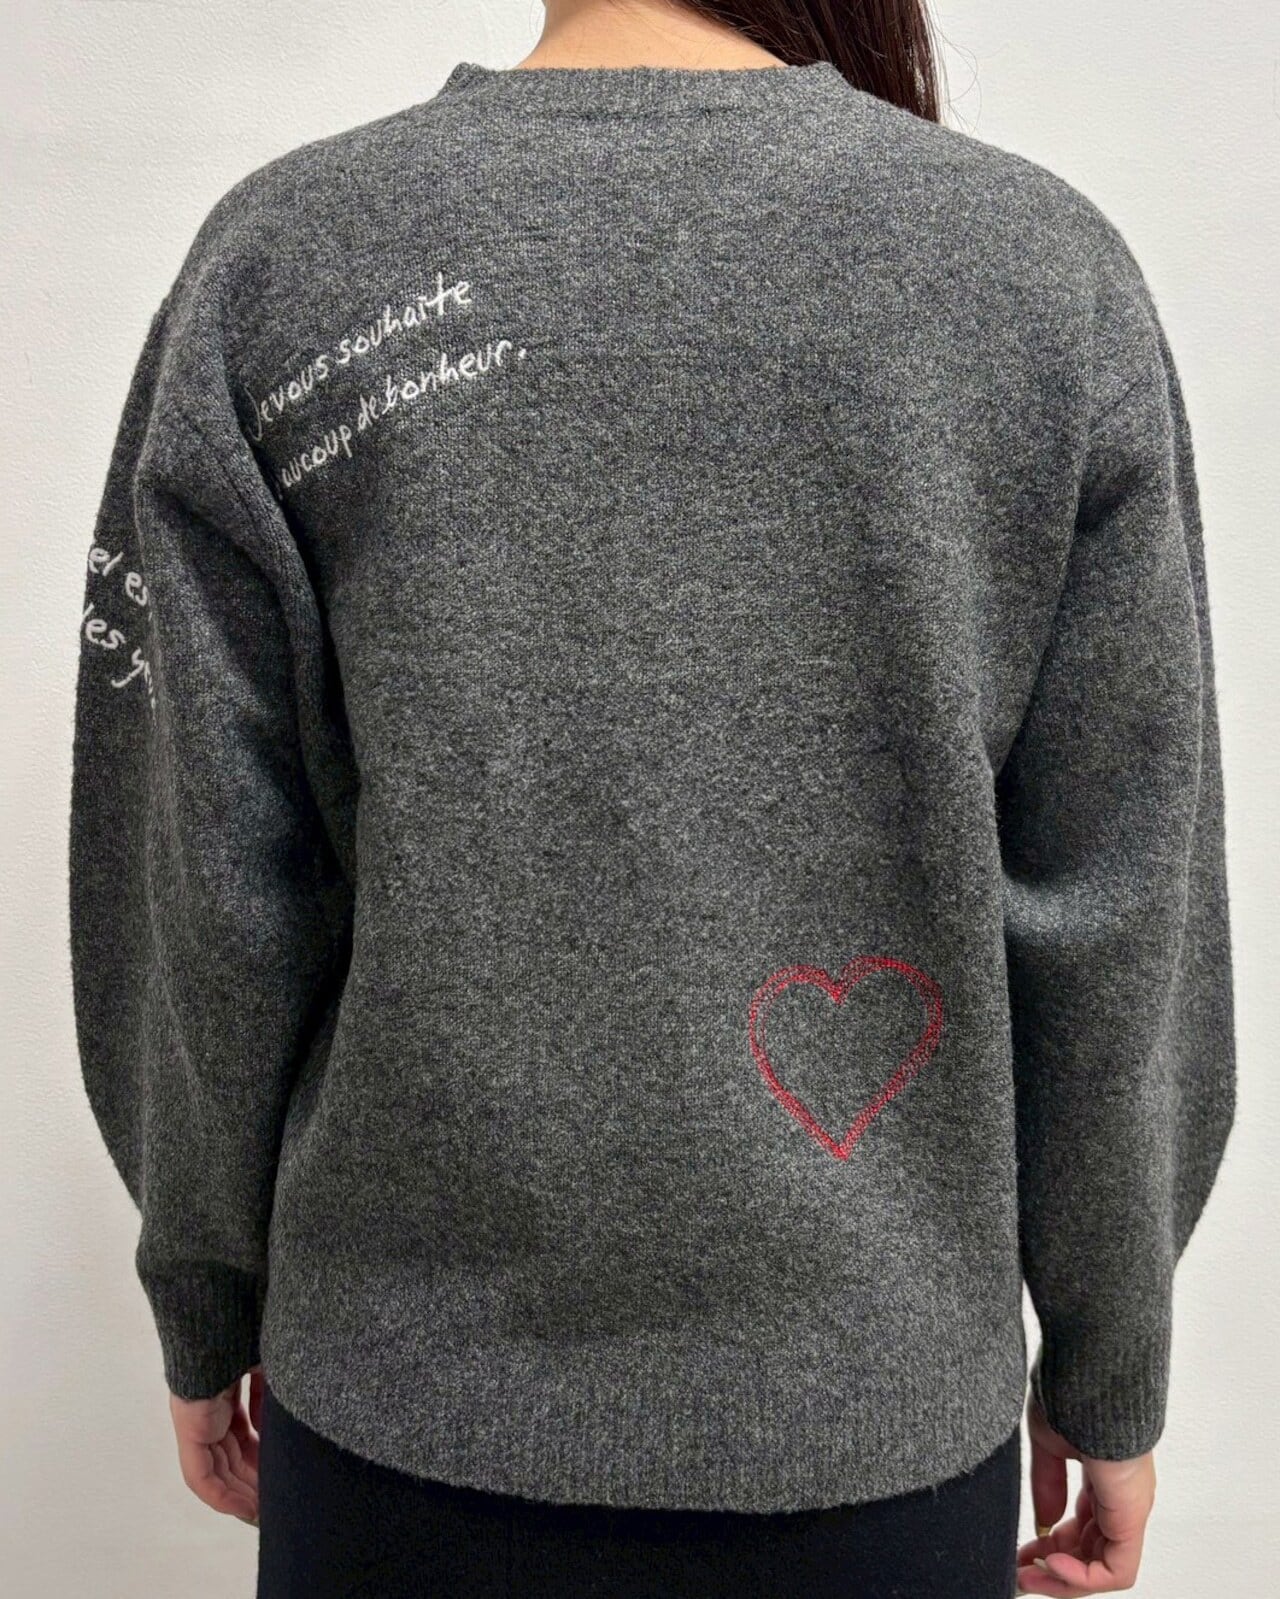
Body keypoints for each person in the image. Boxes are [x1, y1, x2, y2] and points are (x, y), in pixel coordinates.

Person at [66, 1, 1237, 1595]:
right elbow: (1119, 896)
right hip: (875, 1444)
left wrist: (203, 1287)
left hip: (402, 1430)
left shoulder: (289, 260)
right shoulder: (1040, 274)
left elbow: (203, 878)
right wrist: (1110, 1355)